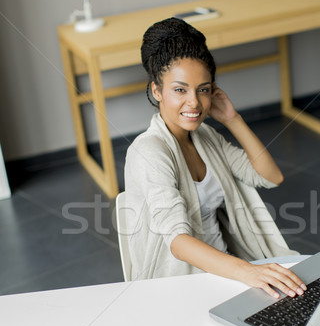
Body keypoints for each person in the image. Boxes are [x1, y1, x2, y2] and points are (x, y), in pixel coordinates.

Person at [124, 17, 307, 298]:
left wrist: (233, 120)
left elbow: (270, 176)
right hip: (181, 285)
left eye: (204, 89)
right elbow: (178, 241)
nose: (195, 102)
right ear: (157, 90)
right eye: (180, 90)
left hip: (226, 272)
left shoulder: (205, 137)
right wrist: (249, 272)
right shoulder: (149, 151)